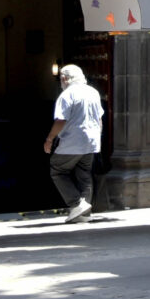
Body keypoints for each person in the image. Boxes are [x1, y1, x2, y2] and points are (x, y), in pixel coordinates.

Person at [44, 62, 104, 223]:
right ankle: (84, 213)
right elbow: (99, 119)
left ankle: (76, 204)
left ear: (65, 78)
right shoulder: (93, 92)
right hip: (91, 141)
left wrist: (49, 139)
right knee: (84, 173)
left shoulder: (67, 95)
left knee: (58, 170)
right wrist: (97, 137)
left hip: (72, 141)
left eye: (61, 79)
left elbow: (61, 120)